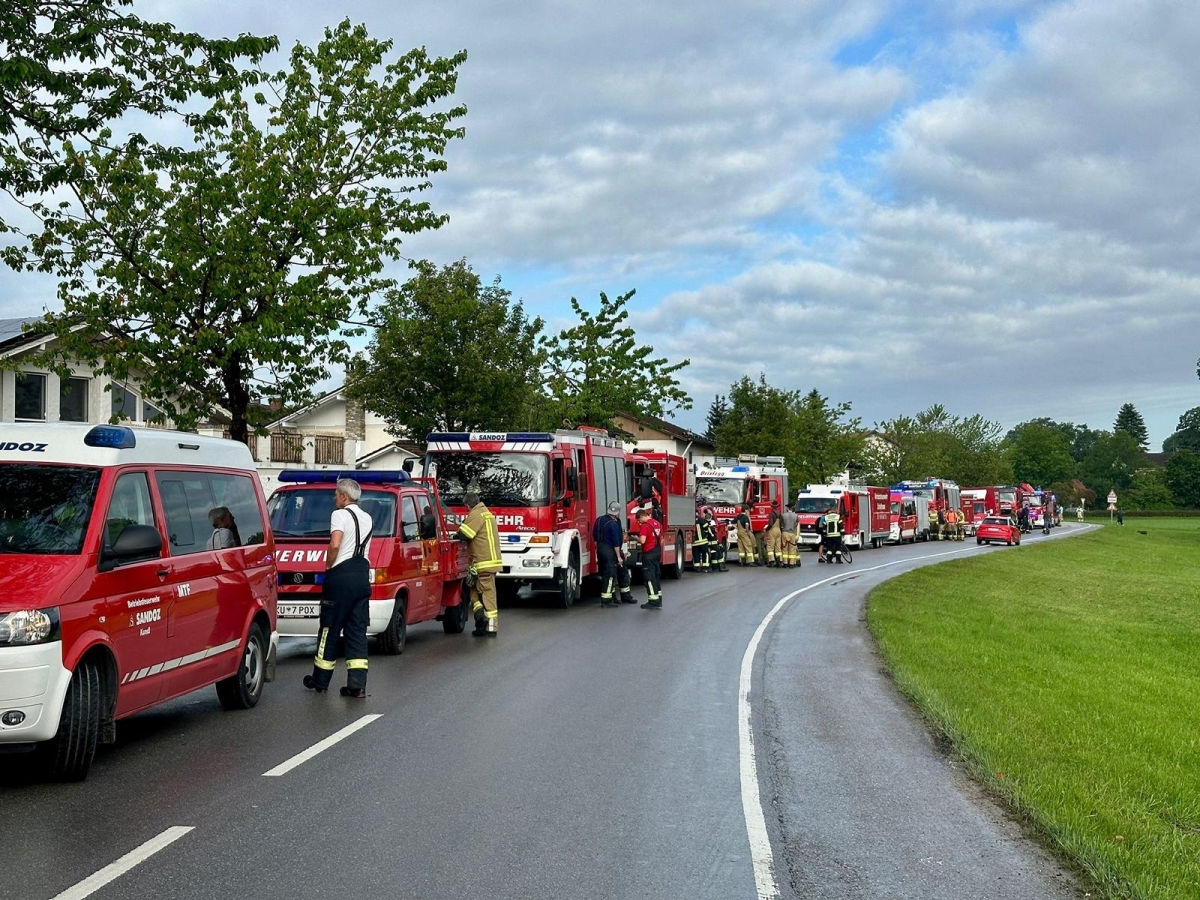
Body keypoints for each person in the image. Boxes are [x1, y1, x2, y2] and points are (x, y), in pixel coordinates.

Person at [304, 478, 373, 698]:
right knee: (356, 631)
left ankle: (320, 681)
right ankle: (357, 685)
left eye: (336, 494)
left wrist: (327, 564)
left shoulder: (339, 515)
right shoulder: (367, 517)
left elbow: (335, 544)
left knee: (329, 628)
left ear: (344, 496)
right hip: (361, 576)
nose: (334, 497)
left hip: (341, 577)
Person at [455, 491, 503, 636]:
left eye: (466, 507)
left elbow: (465, 534)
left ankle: (491, 628)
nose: (466, 510)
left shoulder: (476, 514)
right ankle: (480, 621)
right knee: (474, 591)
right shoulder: (485, 513)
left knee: (487, 594)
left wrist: (456, 534)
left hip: (483, 563)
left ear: (468, 505)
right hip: (483, 563)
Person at [594, 501, 632, 607]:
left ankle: (620, 596)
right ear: (618, 512)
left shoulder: (599, 520)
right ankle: (607, 600)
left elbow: (595, 537)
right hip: (611, 550)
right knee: (610, 575)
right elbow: (615, 542)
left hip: (602, 549)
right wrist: (619, 556)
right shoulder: (613, 524)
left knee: (616, 572)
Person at [633, 506, 663, 609]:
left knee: (649, 577)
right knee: (656, 575)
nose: (639, 522)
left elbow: (642, 541)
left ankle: (653, 601)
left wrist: (636, 538)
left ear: (642, 516)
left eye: (639, 520)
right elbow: (661, 540)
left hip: (649, 553)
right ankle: (658, 598)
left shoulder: (645, 526)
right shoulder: (657, 523)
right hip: (657, 551)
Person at [705, 508, 728, 572]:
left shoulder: (704, 525)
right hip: (713, 543)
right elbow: (715, 533)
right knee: (718, 554)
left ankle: (714, 567)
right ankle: (721, 567)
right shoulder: (712, 526)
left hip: (708, 543)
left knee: (714, 555)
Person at [763, 502, 783, 567]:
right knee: (778, 547)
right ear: (777, 507)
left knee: (770, 546)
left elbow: (770, 524)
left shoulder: (771, 514)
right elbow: (782, 524)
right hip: (778, 530)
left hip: (773, 530)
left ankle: (772, 561)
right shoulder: (780, 514)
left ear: (772, 507)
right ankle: (779, 561)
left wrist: (766, 529)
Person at [693, 507, 711, 573]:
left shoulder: (689, 520)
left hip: (694, 542)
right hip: (702, 541)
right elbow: (706, 526)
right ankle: (705, 567)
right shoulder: (700, 519)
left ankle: (697, 568)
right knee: (704, 554)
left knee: (696, 554)